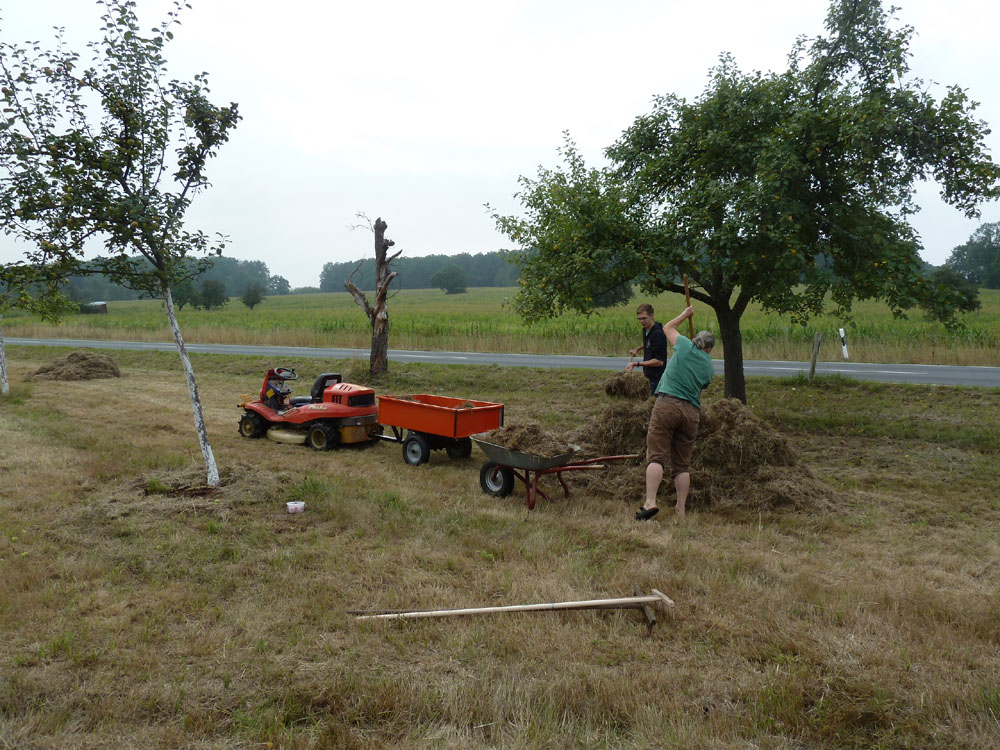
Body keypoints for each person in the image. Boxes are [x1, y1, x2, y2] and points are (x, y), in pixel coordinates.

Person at [636, 306, 715, 521]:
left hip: (667, 405)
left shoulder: (683, 345)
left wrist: (685, 314)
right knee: (682, 465)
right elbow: (700, 390)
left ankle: (650, 502)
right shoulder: (709, 366)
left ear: (695, 341)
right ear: (709, 349)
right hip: (691, 413)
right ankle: (681, 509)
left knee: (656, 456)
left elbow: (668, 328)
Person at [626, 303, 668, 395]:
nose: (641, 321)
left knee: (655, 405)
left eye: (644, 318)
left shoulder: (658, 334)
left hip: (657, 378)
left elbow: (659, 361)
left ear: (652, 316)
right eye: (639, 319)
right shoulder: (646, 329)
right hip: (648, 376)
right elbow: (649, 343)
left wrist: (636, 363)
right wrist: (637, 349)